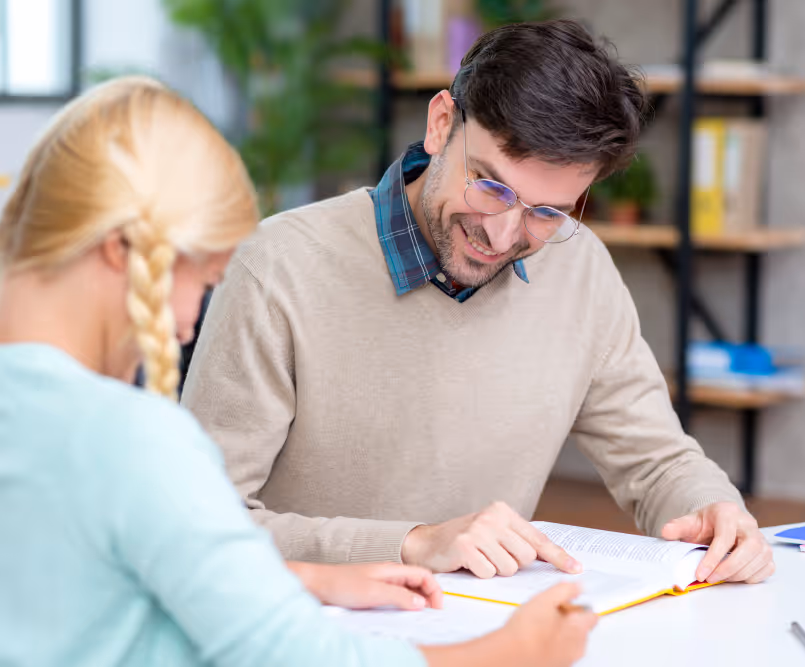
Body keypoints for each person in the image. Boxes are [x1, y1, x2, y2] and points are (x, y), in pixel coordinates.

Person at [0, 76, 596, 667]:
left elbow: (84, 583)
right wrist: (512, 652)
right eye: (204, 282)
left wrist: (301, 579)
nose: (186, 326)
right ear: (121, 250)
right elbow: (293, 656)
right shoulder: (126, 440)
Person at [183, 19, 774, 585]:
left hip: (487, 630)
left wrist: (713, 509)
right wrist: (413, 544)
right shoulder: (278, 266)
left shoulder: (580, 268)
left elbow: (657, 461)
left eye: (547, 212)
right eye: (490, 185)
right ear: (441, 124)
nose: (501, 233)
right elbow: (198, 524)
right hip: (308, 625)